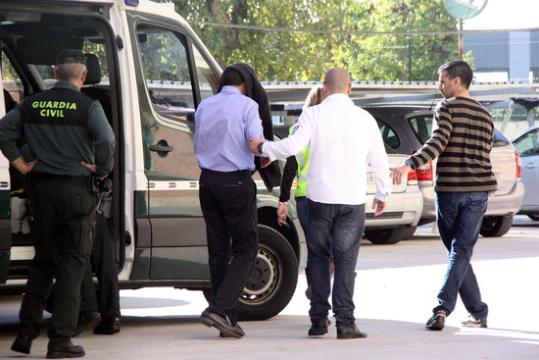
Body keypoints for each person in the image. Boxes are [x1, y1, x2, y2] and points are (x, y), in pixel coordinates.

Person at [251, 68, 391, 339]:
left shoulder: (312, 115)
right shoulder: (365, 119)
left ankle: (317, 321)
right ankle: (346, 323)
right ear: (349, 88)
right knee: (345, 262)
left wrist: (262, 147)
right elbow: (379, 160)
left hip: (318, 200)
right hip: (352, 202)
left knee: (317, 258)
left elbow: (292, 147)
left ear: (325, 88)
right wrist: (382, 194)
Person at [0, 49, 115, 358]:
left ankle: (25, 335)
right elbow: (107, 141)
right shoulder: (88, 107)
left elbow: (3, 132)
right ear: (83, 76)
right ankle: (60, 340)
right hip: (77, 194)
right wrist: (102, 170)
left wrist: (22, 165)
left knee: (42, 263)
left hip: (42, 193)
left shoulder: (31, 104)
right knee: (72, 265)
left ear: (54, 71)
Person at [392, 60, 496, 331]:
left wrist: (409, 163)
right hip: (480, 191)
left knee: (457, 251)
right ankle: (478, 311)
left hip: (451, 190)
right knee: (459, 252)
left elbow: (438, 141)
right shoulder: (486, 114)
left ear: (457, 81)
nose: (439, 87)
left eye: (442, 81)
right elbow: (484, 151)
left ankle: (442, 308)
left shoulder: (447, 107)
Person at [194, 64, 264, 338]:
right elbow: (255, 142)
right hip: (235, 182)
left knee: (218, 251)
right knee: (246, 248)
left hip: (208, 181)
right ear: (244, 85)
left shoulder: (204, 106)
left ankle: (228, 321)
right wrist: (265, 151)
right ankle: (219, 309)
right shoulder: (247, 106)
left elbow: (197, 142)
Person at [276, 86, 333, 300]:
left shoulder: (298, 129)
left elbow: (289, 168)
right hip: (328, 196)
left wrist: (282, 200)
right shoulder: (330, 128)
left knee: (315, 250)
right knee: (333, 251)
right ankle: (320, 289)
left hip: (304, 199)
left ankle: (316, 291)